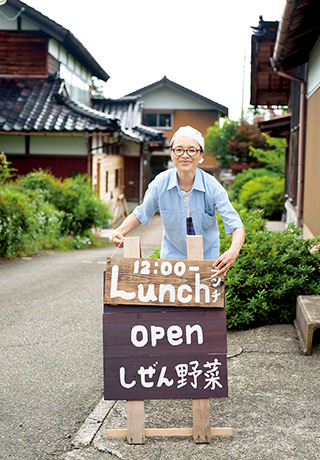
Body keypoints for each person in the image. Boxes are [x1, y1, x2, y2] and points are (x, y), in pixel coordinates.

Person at [113, 125, 245, 276]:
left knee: (203, 297)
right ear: (171, 153)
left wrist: (233, 252)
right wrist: (120, 231)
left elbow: (236, 226)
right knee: (171, 296)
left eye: (192, 150)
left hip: (208, 254)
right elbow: (141, 213)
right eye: (179, 149)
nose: (185, 155)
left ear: (201, 154)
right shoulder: (160, 183)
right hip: (173, 252)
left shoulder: (213, 186)